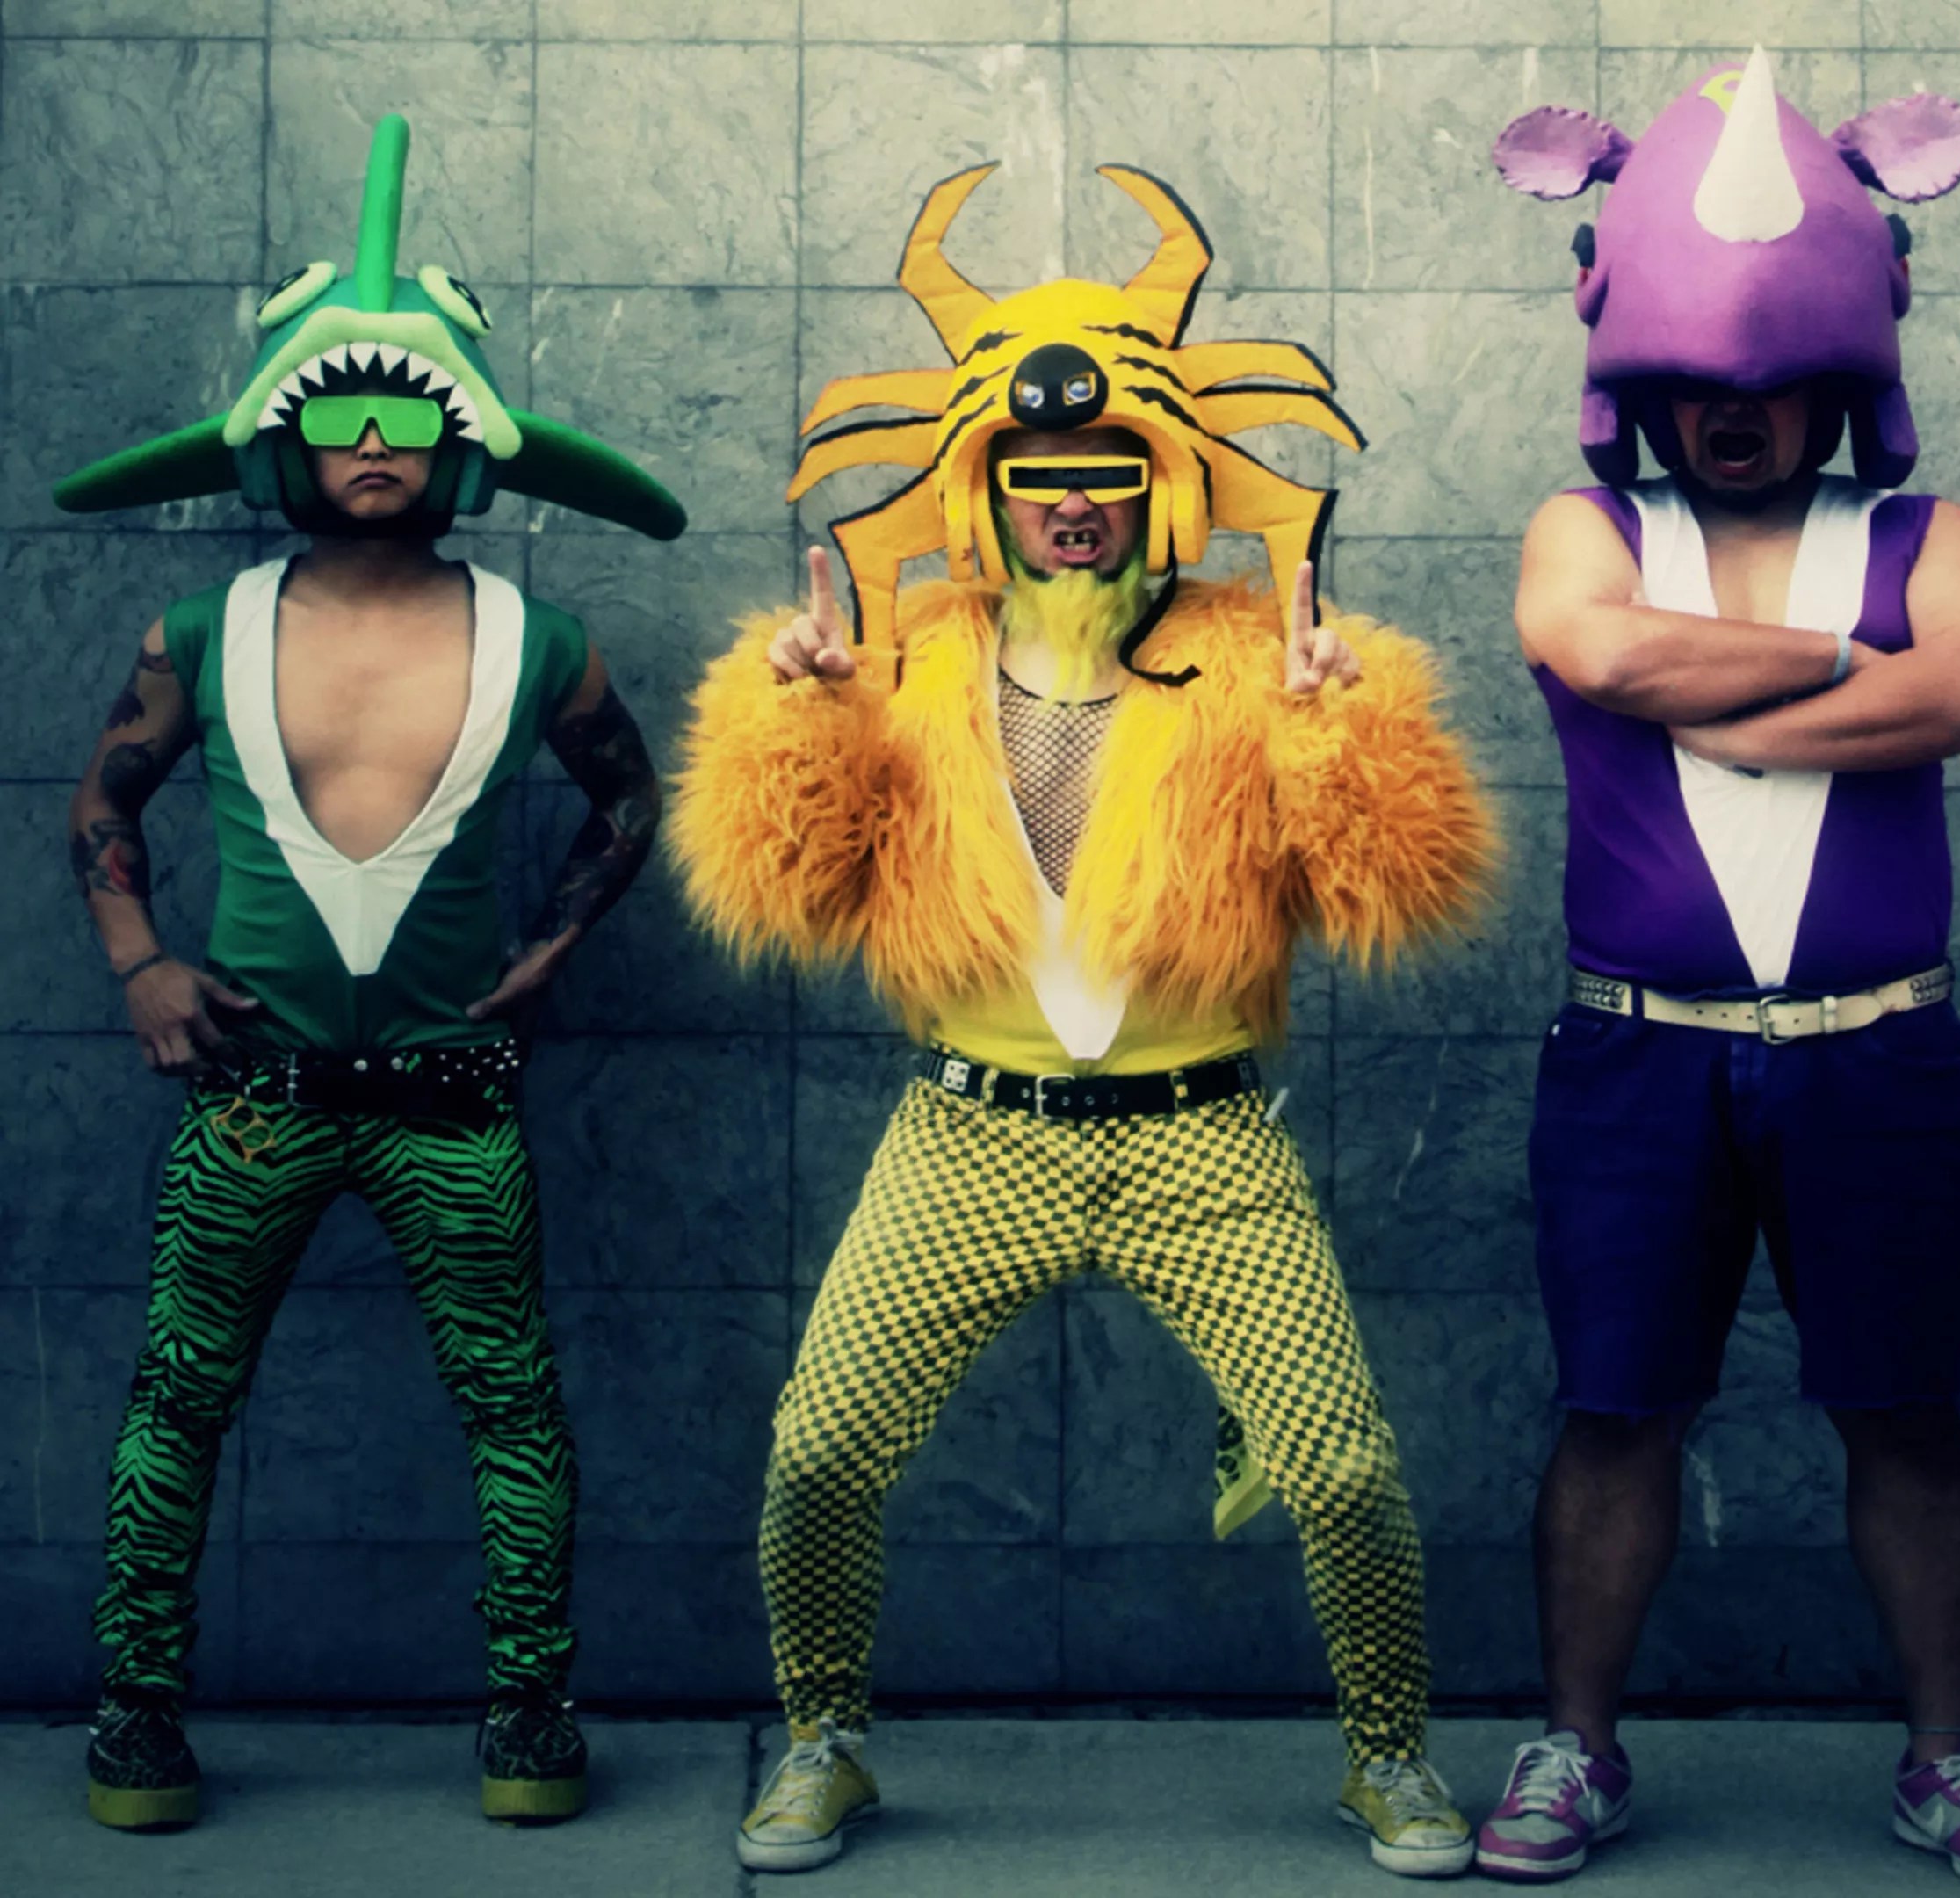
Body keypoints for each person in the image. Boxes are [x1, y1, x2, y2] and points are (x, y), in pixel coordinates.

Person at [664, 162, 1494, 1878]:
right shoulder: (898, 656)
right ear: (981, 485)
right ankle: (822, 1740)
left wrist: (1339, 729)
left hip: (1204, 1142)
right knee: (820, 1449)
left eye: (1107, 469)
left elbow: (1388, 890)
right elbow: (789, 889)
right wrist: (797, 715)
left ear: (1163, 479)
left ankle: (1391, 1758)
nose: (1073, 502)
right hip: (968, 1134)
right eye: (1038, 475)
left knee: (1342, 1471)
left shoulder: (1263, 651)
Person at [55, 114, 684, 1831]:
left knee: (512, 1412)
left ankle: (530, 1718)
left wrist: (555, 946)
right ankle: (134, 1719)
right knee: (179, 1402)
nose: (378, 443)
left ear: (461, 437)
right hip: (249, 1101)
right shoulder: (200, 632)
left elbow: (631, 799)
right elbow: (102, 802)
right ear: (287, 436)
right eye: (342, 414)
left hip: (451, 1107)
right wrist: (140, 966)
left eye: (408, 413)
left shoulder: (540, 640)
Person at [1481, 50, 1960, 1893]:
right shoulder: (1585, 529)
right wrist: (1845, 670)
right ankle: (1575, 1750)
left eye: (1771, 386)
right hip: (1635, 1055)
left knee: (1903, 1411)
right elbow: (1592, 651)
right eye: (1701, 392)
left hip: (1876, 1055)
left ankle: (1948, 1762)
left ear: (1841, 375)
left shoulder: (1928, 536)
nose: (1735, 418)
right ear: (1643, 382)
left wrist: (1718, 690)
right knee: (1614, 1410)